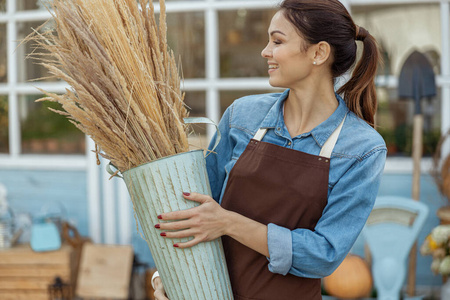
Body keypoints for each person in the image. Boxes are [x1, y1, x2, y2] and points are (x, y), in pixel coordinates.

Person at [152, 0, 387, 299]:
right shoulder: (242, 116)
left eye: (277, 41)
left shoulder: (362, 149)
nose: (265, 51)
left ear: (319, 53)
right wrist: (167, 277)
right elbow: (195, 210)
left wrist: (229, 222)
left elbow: (324, 254)